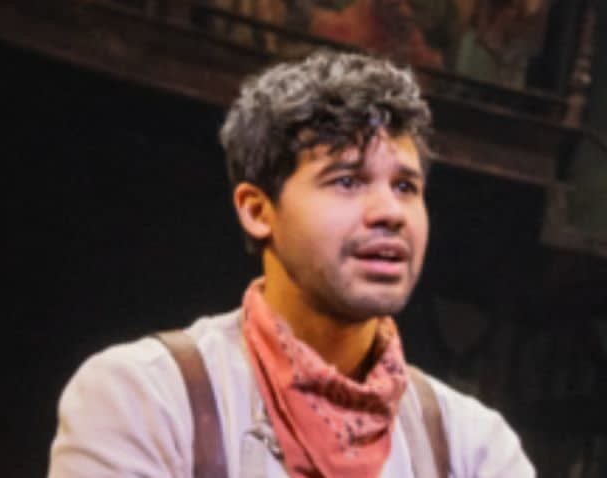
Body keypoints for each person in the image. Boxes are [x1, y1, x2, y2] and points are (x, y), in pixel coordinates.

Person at [49, 51, 533, 477]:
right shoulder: (147, 398)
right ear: (258, 211)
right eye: (347, 181)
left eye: (405, 187)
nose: (390, 212)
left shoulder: (472, 446)